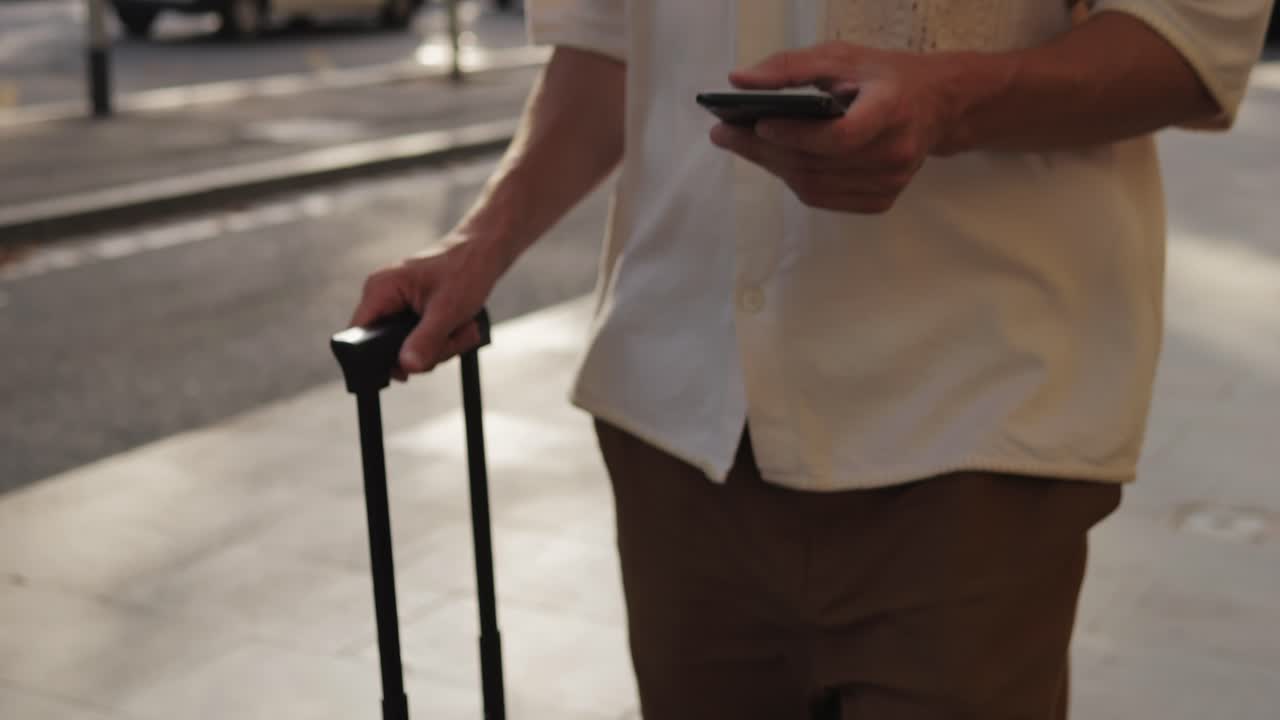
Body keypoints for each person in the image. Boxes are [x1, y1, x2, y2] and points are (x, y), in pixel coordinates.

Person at [349, 1, 1273, 717]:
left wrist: (950, 98)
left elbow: (1189, 38)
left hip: (968, 423)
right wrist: (479, 242)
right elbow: (605, 40)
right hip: (677, 419)